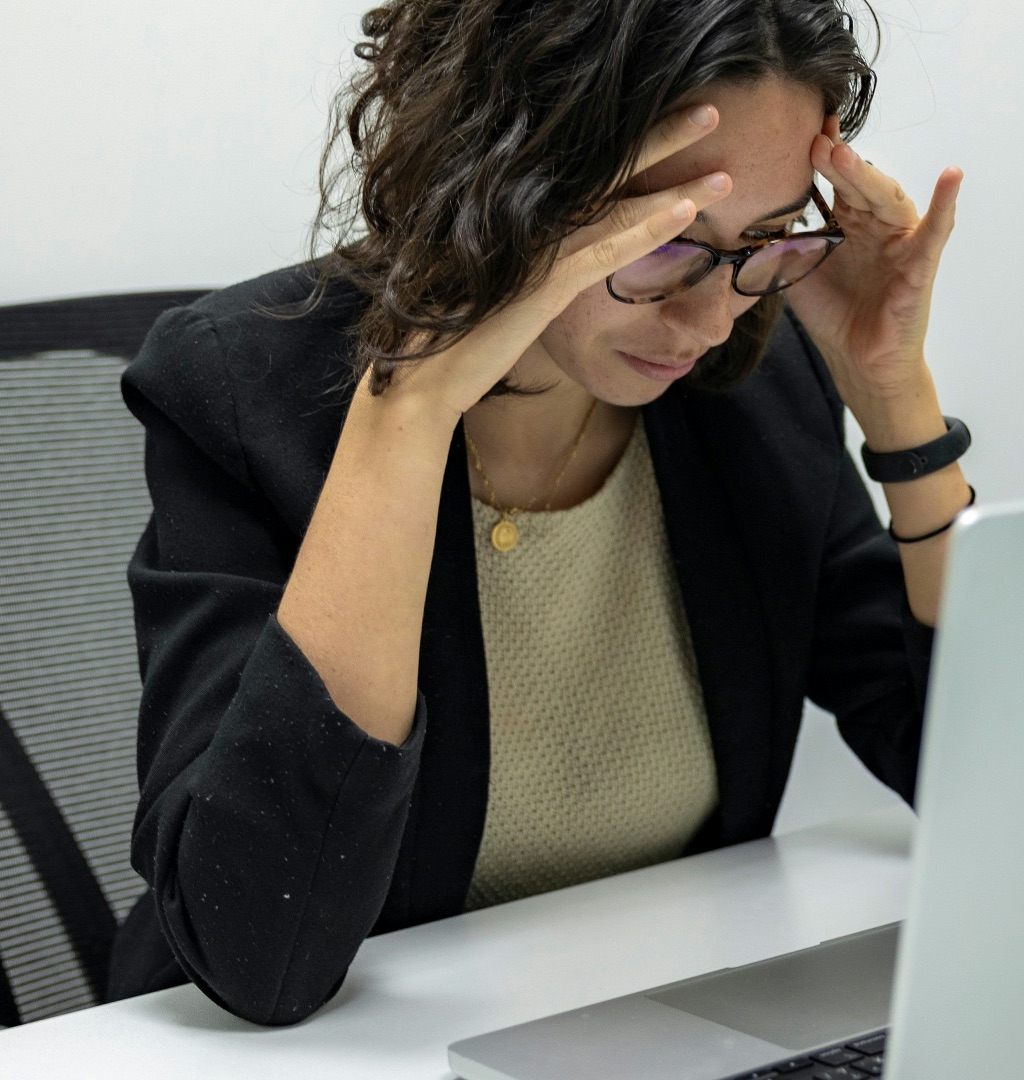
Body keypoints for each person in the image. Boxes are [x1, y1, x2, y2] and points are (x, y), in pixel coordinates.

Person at [107, 0, 970, 1026]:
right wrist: (411, 408)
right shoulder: (245, 390)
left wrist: (895, 402)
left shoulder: (751, 389)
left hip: (642, 1032)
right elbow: (262, 955)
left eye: (770, 241)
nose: (711, 315)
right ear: (499, 180)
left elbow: (985, 784)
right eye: (660, 244)